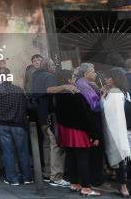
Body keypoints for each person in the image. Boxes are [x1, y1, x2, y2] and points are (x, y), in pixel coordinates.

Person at [55, 70, 100, 197]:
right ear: (69, 80)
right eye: (73, 77)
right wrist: (94, 134)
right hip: (78, 130)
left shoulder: (59, 94)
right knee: (82, 158)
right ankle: (85, 187)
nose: (75, 79)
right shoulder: (76, 94)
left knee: (71, 156)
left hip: (66, 130)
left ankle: (74, 183)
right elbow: (85, 116)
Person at [31, 57, 72, 187]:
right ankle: (56, 177)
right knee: (56, 145)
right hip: (49, 114)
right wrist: (64, 86)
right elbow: (49, 90)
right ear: (49, 66)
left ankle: (47, 173)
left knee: (47, 144)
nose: (54, 68)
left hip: (40, 114)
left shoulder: (35, 76)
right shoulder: (49, 76)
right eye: (53, 65)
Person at [0, 67, 33, 186]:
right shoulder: (19, 90)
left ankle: (13, 179)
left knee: (8, 152)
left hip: (3, 125)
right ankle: (27, 178)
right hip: (18, 124)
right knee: (23, 151)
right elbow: (27, 106)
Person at [102, 68, 130, 198]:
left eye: (109, 77)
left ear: (115, 79)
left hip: (120, 131)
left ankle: (123, 187)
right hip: (126, 129)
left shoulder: (114, 93)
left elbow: (110, 113)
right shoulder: (125, 92)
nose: (106, 80)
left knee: (120, 160)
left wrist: (102, 98)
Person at [75, 62, 104, 187]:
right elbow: (94, 105)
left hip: (89, 119)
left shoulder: (85, 83)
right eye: (92, 71)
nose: (95, 73)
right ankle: (95, 179)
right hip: (92, 120)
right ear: (86, 73)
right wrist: (103, 95)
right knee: (95, 151)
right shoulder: (84, 85)